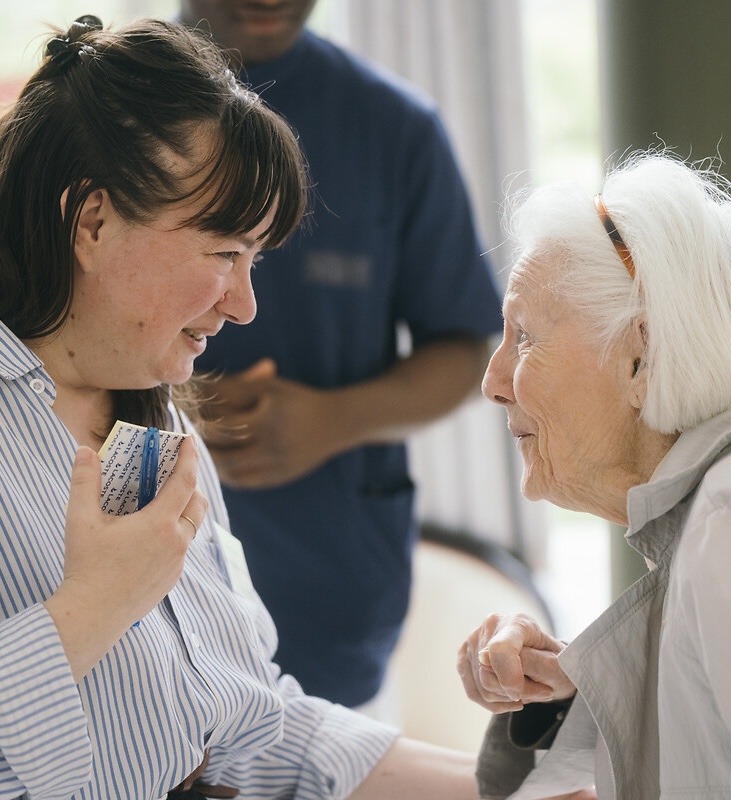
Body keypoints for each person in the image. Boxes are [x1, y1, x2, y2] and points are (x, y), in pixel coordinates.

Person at [0, 15, 478, 798]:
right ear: (92, 221)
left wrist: (511, 785)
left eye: (254, 259)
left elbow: (252, 731)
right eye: (224, 253)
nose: (245, 305)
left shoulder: (156, 427)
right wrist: (91, 607)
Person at [178, 0, 504, 710]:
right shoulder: (102, 118)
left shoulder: (394, 128)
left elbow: (464, 345)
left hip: (328, 581)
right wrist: (168, 401)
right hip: (144, 581)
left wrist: (334, 419)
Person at [457, 152, 731, 799]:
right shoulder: (725, 505)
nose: (492, 382)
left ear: (639, 357)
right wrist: (572, 687)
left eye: (524, 337)